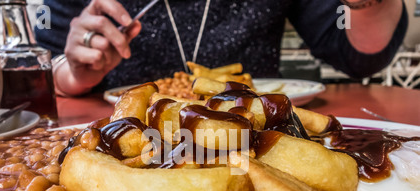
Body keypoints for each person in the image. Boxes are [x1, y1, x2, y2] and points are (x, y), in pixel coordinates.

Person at [35, 0, 408, 97]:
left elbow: (358, 54)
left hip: (257, 134)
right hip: (113, 131)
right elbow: (43, 68)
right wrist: (76, 71)